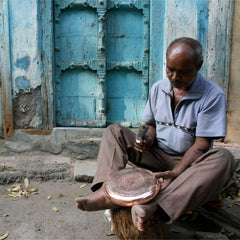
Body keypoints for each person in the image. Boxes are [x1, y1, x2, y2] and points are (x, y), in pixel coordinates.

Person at [75, 37, 236, 232]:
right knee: (114, 132)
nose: (175, 77)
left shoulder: (212, 96)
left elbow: (201, 145)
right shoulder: (159, 88)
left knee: (223, 158)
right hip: (158, 156)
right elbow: (150, 124)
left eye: (183, 72)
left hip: (188, 165)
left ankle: (153, 205)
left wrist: (176, 173)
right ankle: (108, 193)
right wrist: (147, 137)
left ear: (198, 66)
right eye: (170, 69)